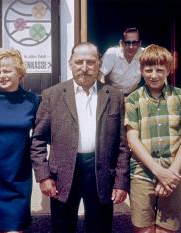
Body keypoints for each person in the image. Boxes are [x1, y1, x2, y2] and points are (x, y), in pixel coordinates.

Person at [30, 42, 131, 233]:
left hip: (100, 171)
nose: (84, 68)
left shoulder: (114, 96)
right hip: (63, 173)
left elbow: (122, 145)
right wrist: (43, 176)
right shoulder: (52, 95)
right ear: (70, 63)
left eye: (90, 62)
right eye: (79, 62)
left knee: (100, 227)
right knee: (62, 227)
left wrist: (121, 181)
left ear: (99, 63)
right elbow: (38, 140)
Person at [125, 44, 181, 233]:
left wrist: (170, 173)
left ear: (169, 69)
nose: (154, 75)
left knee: (167, 229)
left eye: (159, 70)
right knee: (144, 229)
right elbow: (132, 139)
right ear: (141, 71)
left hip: (173, 174)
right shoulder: (133, 100)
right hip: (142, 175)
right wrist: (159, 171)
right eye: (148, 70)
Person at [0, 48, 39, 233]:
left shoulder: (32, 101)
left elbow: (40, 138)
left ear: (19, 72)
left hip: (19, 176)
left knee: (14, 228)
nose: (1, 75)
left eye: (7, 70)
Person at [100, 27, 144, 95]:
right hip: (113, 95)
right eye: (127, 43)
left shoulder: (144, 53)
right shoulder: (112, 54)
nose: (131, 47)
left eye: (135, 43)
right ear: (121, 43)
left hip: (134, 95)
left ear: (140, 43)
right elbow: (100, 75)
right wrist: (103, 94)